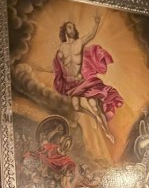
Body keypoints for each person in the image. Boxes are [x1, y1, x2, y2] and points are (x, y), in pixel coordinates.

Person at [53, 15, 123, 144]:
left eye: (73, 28)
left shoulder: (79, 42)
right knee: (76, 107)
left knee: (94, 107)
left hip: (83, 82)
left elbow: (90, 35)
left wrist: (96, 24)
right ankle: (93, 117)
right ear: (65, 30)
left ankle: (108, 133)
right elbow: (58, 66)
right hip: (71, 85)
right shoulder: (62, 47)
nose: (72, 30)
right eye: (69, 27)